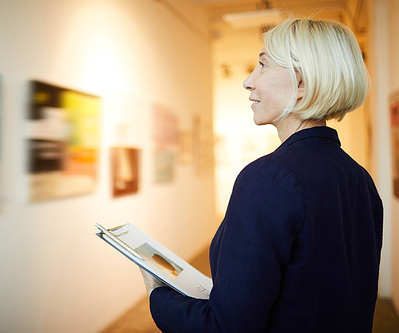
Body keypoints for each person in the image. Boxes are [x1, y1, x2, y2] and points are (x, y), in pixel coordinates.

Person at [140, 17, 383, 332]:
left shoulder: (268, 178)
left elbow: (227, 327)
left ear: (302, 85)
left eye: (263, 66)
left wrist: (160, 295)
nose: (248, 81)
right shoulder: (359, 178)